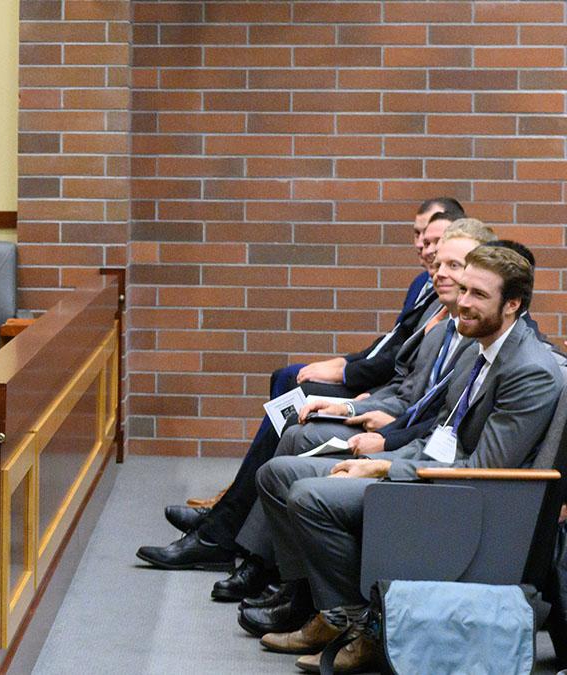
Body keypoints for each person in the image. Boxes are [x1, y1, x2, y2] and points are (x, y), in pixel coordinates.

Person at [256, 245, 563, 672]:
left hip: (462, 500)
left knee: (310, 496)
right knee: (277, 474)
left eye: (478, 294)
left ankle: (369, 626)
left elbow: (482, 471)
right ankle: (334, 611)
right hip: (429, 470)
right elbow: (440, 431)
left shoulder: (529, 370)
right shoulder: (478, 347)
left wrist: (385, 466)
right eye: (464, 289)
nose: (463, 302)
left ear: (512, 305)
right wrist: (382, 453)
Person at [137, 211, 459, 577]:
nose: (427, 250)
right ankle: (231, 513)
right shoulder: (427, 289)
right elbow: (394, 352)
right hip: (387, 401)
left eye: (441, 248)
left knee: (297, 401)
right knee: (289, 383)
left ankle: (230, 532)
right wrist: (349, 371)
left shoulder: (458, 318)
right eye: (422, 239)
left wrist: (361, 394)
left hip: (398, 420)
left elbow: (409, 379)